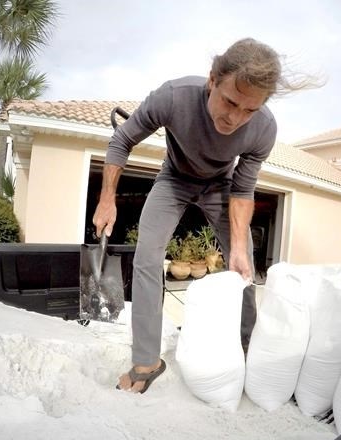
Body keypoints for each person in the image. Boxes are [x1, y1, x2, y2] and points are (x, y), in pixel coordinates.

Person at [93, 38, 285, 394]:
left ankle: (245, 348)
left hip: (222, 186)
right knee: (147, 258)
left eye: (249, 110)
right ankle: (147, 361)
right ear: (213, 79)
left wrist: (239, 247)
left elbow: (243, 189)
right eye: (230, 101)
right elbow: (122, 141)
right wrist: (107, 199)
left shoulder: (264, 128)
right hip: (174, 179)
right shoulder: (174, 97)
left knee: (241, 263)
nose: (235, 117)